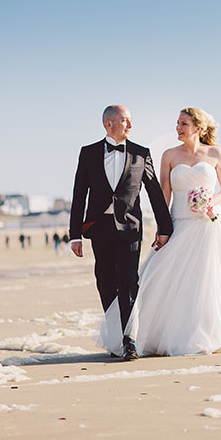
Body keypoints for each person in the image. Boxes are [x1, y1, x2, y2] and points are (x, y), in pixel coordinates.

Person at [97, 107, 221, 357]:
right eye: (177, 123)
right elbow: (164, 193)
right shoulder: (169, 155)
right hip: (180, 221)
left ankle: (205, 332)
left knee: (207, 280)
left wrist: (211, 202)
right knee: (164, 275)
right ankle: (139, 335)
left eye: (184, 124)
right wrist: (163, 227)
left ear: (198, 128)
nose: (178, 127)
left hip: (210, 224)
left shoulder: (215, 153)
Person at [70, 105, 173, 361]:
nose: (130, 125)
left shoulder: (141, 154)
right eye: (125, 121)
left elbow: (155, 193)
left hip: (130, 228)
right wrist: (74, 234)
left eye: (130, 121)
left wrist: (165, 228)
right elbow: (79, 194)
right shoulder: (89, 153)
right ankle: (115, 334)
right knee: (105, 280)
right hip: (99, 228)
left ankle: (130, 340)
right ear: (109, 124)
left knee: (129, 282)